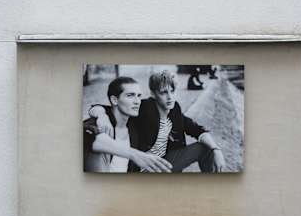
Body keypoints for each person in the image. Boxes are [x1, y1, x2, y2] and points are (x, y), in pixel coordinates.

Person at [91, 70, 225, 173]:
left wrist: (216, 149)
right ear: (153, 94)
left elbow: (197, 130)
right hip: (144, 167)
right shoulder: (144, 107)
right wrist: (101, 115)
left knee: (205, 147)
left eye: (172, 91)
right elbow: (110, 108)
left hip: (166, 163)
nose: (170, 97)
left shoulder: (174, 109)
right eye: (163, 92)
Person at [83, 76, 172, 173]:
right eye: (130, 95)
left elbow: (164, 105)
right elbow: (89, 136)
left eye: (139, 96)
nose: (137, 101)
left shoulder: (135, 125)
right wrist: (135, 155)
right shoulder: (101, 122)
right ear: (114, 100)